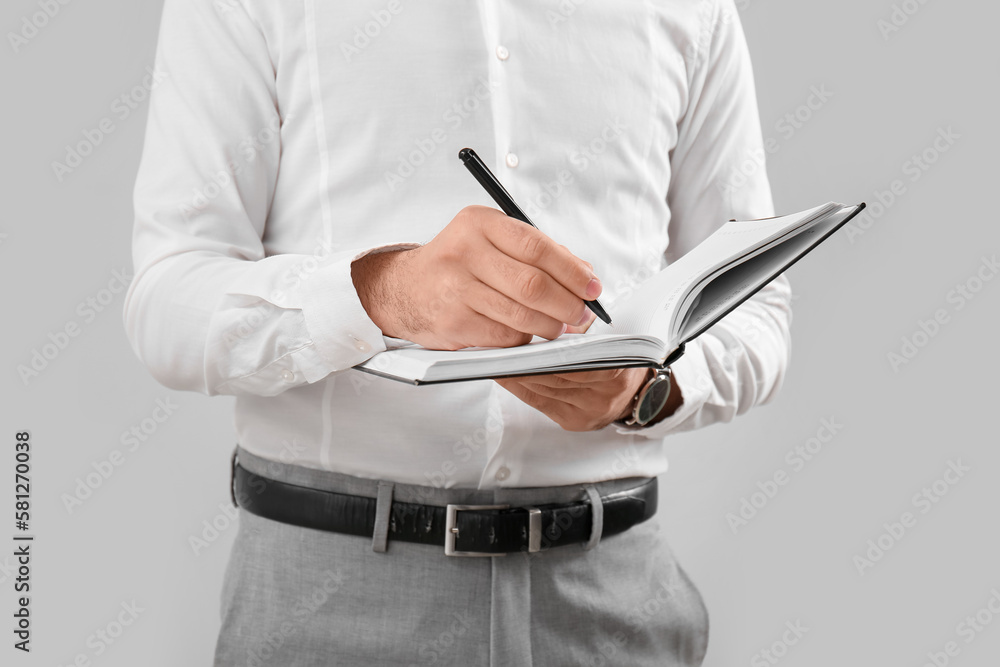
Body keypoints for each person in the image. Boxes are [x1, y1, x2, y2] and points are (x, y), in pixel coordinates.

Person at [124, 0, 791, 664]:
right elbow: (167, 302)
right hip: (329, 599)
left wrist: (650, 391)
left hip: (614, 600)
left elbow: (756, 309)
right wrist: (383, 293)